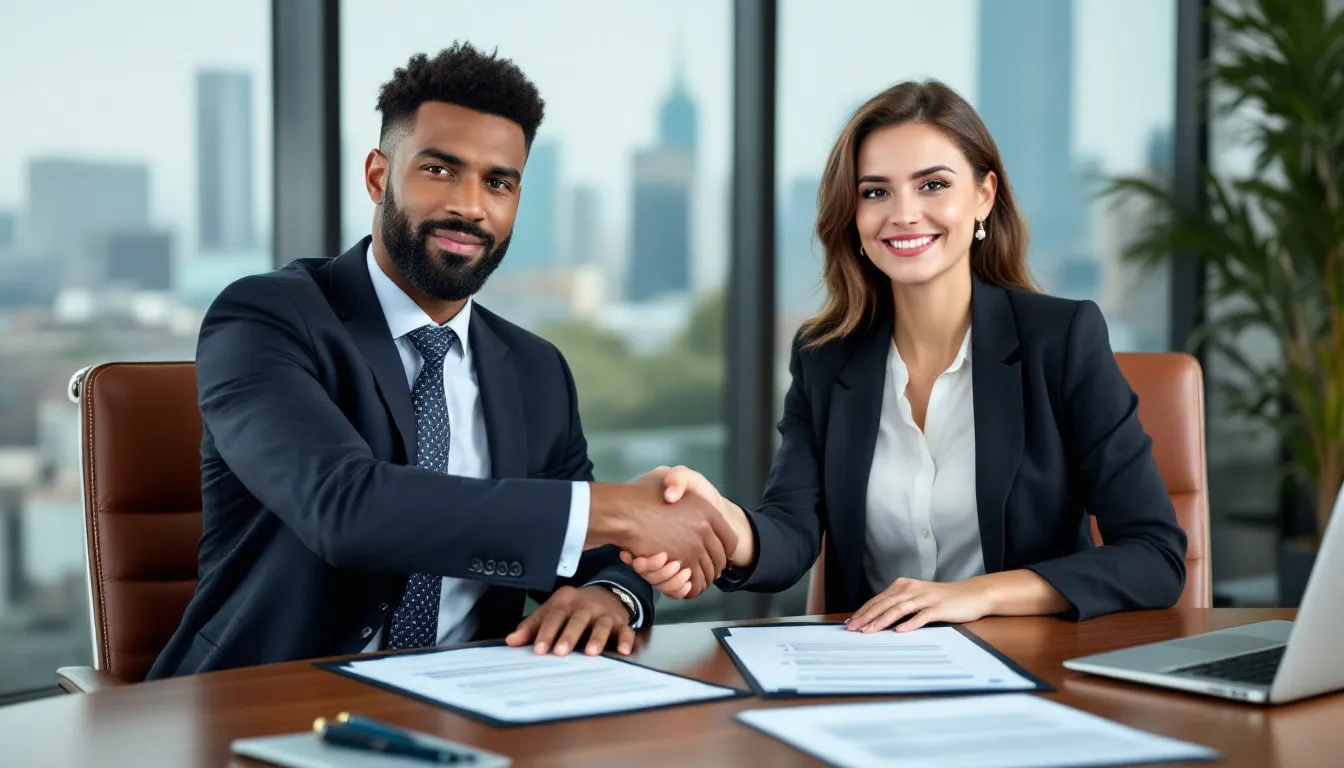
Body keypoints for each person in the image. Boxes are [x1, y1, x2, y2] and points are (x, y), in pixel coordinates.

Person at [147, 43, 737, 679]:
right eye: (439, 170)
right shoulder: (266, 318)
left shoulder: (536, 370)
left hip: (471, 706)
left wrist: (607, 595)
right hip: (263, 701)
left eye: (498, 182)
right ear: (378, 175)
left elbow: (595, 552)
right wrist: (618, 508)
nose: (470, 206)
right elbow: (345, 509)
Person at [626, 80, 1187, 632]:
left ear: (984, 196)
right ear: (854, 215)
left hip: (1030, 667)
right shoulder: (825, 357)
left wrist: (978, 596)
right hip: (873, 672)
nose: (904, 213)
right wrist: (726, 523)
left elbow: (1153, 555)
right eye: (876, 192)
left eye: (933, 185)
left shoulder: (1061, 339)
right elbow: (792, 534)